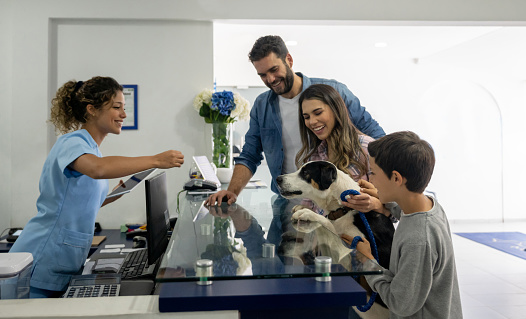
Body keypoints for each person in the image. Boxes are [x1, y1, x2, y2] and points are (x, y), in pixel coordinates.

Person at [9, 76, 185, 298]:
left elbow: (79, 199)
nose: (124, 114)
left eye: (124, 108)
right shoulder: (72, 142)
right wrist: (155, 160)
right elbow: (98, 169)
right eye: (117, 107)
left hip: (63, 259)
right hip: (41, 258)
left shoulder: (91, 149)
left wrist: (114, 194)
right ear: (92, 110)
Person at [206, 35, 385, 206]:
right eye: (262, 75)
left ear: (289, 60)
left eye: (274, 70)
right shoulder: (262, 105)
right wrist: (232, 191)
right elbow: (250, 154)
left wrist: (380, 198)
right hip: (287, 202)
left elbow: (378, 139)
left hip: (337, 203)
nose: (270, 79)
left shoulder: (334, 91)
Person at [356, 131, 464, 319]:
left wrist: (367, 261)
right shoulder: (430, 205)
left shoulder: (418, 240)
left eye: (373, 173)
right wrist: (384, 202)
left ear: (396, 178)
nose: (370, 180)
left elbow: (400, 303)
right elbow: (408, 213)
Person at [297, 83, 391, 217]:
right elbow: (310, 206)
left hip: (364, 235)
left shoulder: (367, 148)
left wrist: (375, 204)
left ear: (336, 109)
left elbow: (395, 209)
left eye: (318, 113)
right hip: (326, 235)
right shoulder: (315, 157)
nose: (312, 121)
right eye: (306, 117)